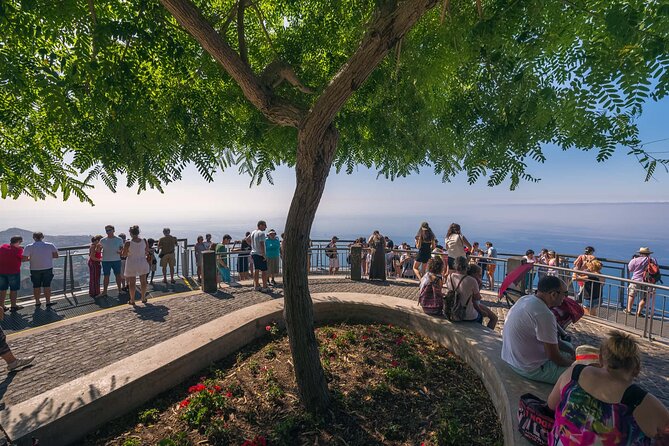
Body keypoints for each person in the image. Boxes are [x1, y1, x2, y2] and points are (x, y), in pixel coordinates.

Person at [547, 331, 669, 445]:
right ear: (636, 370)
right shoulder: (640, 401)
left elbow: (551, 404)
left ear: (600, 359)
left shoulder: (575, 373)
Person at [501, 276, 575, 384]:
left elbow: (551, 341)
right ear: (553, 294)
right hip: (529, 368)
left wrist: (571, 351)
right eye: (565, 294)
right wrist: (575, 364)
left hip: (511, 359)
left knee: (570, 348)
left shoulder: (526, 299)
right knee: (579, 374)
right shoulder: (544, 314)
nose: (566, 298)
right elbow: (554, 356)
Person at [446, 256, 497, 329]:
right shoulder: (472, 281)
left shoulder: (449, 276)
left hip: (453, 310)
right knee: (491, 317)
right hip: (467, 315)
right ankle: (480, 332)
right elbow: (477, 298)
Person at [22, 232, 59, 307]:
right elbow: (56, 256)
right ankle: (48, 302)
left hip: (34, 269)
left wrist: (32, 258)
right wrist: (47, 256)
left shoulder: (29, 246)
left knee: (36, 286)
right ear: (42, 237)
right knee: (47, 285)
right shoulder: (50, 245)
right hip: (47, 267)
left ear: (33, 238)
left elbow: (24, 259)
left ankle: (37, 302)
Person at [122, 225, 150, 305]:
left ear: (130, 233)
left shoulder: (128, 243)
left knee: (132, 282)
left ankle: (132, 300)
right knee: (143, 281)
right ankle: (143, 298)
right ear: (138, 232)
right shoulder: (144, 241)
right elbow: (147, 251)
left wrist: (123, 251)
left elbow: (124, 255)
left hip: (132, 262)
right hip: (142, 261)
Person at [626, 247, 658, 317]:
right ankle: (639, 312)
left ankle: (628, 310)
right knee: (644, 297)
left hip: (636, 280)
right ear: (649, 254)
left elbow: (630, 269)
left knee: (631, 295)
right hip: (647, 281)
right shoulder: (653, 260)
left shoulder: (635, 260)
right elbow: (656, 269)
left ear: (640, 253)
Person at [0, 236, 25, 312]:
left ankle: (2, 307)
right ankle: (13, 306)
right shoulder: (19, 250)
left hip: (1, 272)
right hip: (13, 272)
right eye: (20, 242)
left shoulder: (3, 247)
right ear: (18, 242)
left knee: (2, 290)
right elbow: (23, 258)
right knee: (13, 290)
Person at [99, 225, 124, 297]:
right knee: (106, 276)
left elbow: (121, 249)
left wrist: (120, 252)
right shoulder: (102, 240)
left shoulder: (119, 239)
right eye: (107, 230)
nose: (108, 232)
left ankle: (120, 290)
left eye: (109, 230)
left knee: (118, 275)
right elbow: (98, 250)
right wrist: (97, 248)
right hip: (106, 260)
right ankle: (105, 291)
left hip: (116, 260)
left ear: (113, 230)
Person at [250, 221, 269, 292]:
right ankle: (264, 287)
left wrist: (253, 247)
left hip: (254, 253)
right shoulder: (261, 233)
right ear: (260, 225)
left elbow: (247, 240)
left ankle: (256, 286)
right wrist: (264, 255)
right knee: (264, 271)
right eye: (265, 225)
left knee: (256, 270)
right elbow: (262, 244)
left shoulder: (253, 232)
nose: (266, 227)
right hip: (260, 254)